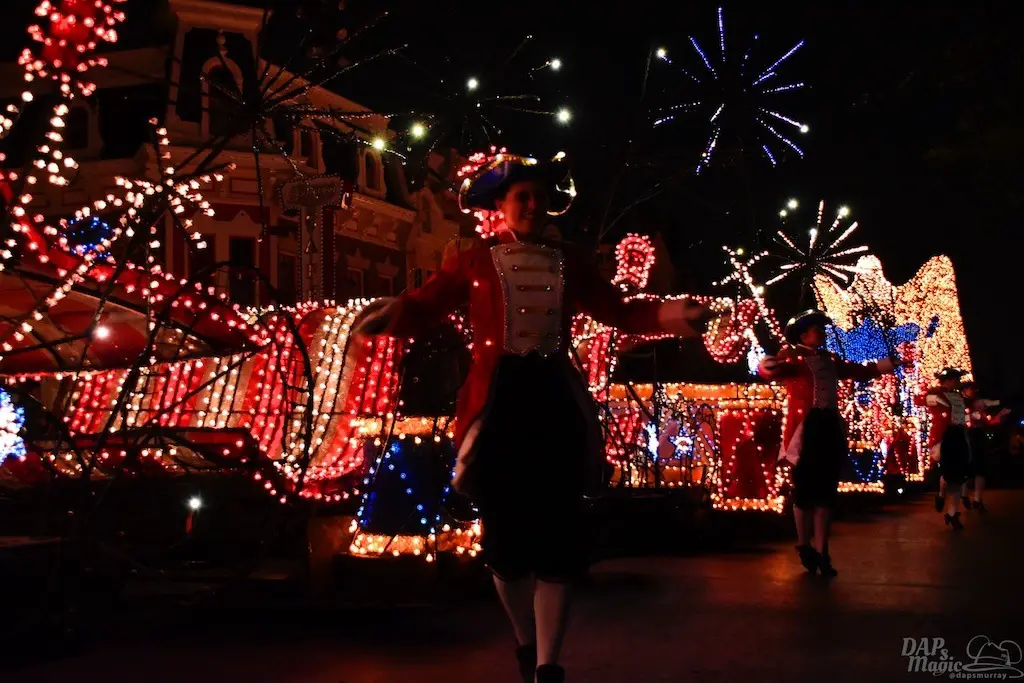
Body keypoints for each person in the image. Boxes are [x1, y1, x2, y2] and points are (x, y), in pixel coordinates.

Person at [355, 151, 713, 683]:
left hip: (553, 402)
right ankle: (526, 640)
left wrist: (674, 313)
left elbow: (618, 310)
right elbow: (427, 303)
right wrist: (390, 315)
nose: (531, 205)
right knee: (504, 546)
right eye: (522, 196)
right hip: (499, 405)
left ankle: (549, 665)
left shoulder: (570, 261)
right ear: (500, 204)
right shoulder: (473, 260)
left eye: (539, 197)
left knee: (559, 541)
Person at [759, 310, 902, 577]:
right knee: (804, 489)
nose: (822, 333)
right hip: (806, 429)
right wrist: (767, 365)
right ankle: (803, 544)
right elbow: (772, 371)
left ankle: (822, 550)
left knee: (826, 491)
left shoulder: (830, 359)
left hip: (828, 427)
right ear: (803, 334)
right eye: (816, 328)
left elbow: (858, 371)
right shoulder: (791, 356)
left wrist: (887, 363)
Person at [917, 368, 971, 530]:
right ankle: (941, 495)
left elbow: (964, 415)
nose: (958, 382)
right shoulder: (935, 393)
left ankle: (952, 513)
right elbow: (919, 400)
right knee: (950, 475)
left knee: (958, 477)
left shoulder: (959, 396)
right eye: (955, 379)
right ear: (947, 380)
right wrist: (934, 399)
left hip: (959, 437)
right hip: (943, 438)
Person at [959, 381, 1010, 511]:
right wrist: (970, 416)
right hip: (965, 437)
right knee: (966, 469)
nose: (972, 391)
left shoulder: (979, 403)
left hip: (977, 438)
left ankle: (977, 499)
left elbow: (989, 420)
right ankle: (964, 495)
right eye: (969, 389)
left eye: (973, 389)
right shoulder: (960, 403)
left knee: (979, 469)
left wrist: (1000, 415)